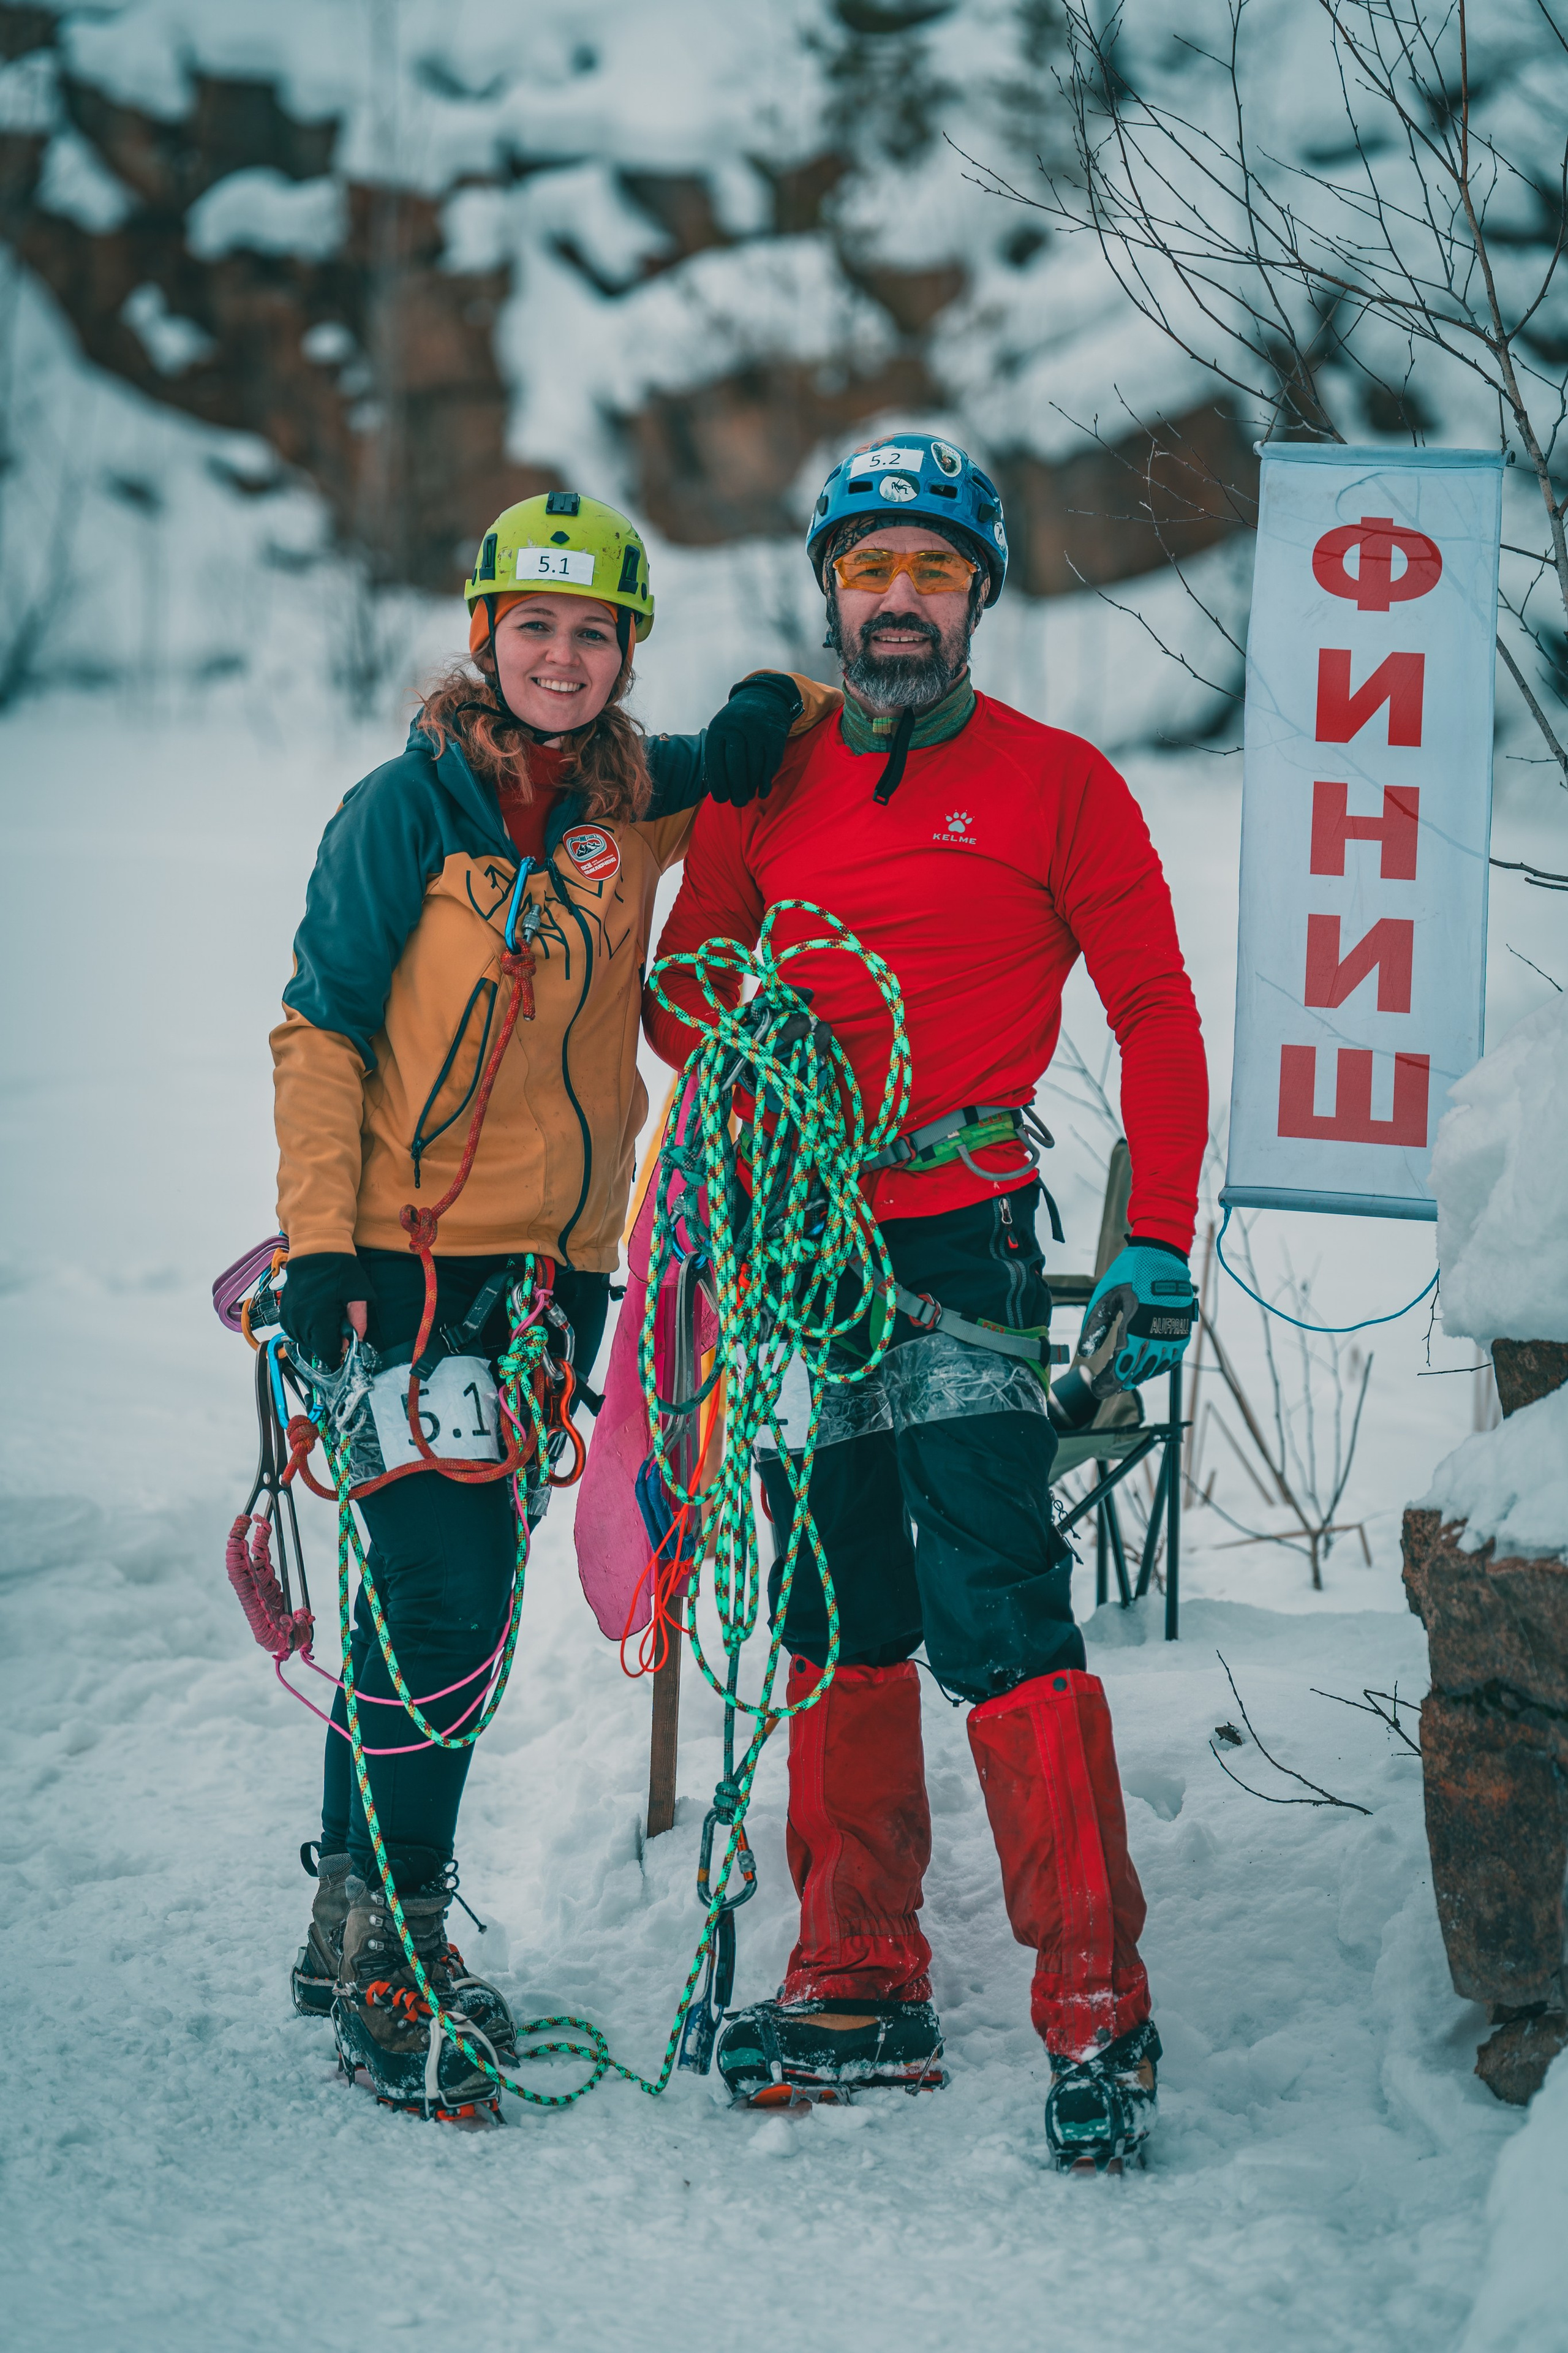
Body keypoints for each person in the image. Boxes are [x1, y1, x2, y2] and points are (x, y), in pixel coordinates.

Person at [643, 434, 1207, 2169]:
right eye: (871, 570)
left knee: (1002, 1612)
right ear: (832, 594)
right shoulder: (765, 772)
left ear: (980, 597)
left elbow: (1160, 1012)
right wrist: (735, 935)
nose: (901, 601)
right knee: (837, 1609)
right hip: (802, 1241)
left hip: (961, 1240)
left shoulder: (1060, 785)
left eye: (936, 572)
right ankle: (859, 1969)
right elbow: (675, 997)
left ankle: (1096, 2001)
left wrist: (1155, 1234)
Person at [272, 490, 797, 2115]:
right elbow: (320, 1031)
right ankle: (400, 1952)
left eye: (594, 632)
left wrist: (772, 719)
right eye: (535, 625)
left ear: (623, 651)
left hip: (548, 1289)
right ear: (484, 633)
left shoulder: (634, 803)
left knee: (443, 1597)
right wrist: (317, 1253)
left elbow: (747, 754)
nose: (562, 655)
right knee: (446, 1609)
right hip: (394, 1272)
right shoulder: (407, 809)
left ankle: (349, 1903)